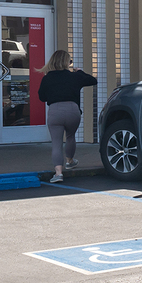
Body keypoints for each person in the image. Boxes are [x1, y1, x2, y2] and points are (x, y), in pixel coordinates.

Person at [38, 49, 97, 184]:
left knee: (56, 143)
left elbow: (42, 97)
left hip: (55, 111)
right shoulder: (74, 76)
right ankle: (70, 161)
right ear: (67, 63)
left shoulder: (47, 78)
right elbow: (93, 80)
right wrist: (80, 72)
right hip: (73, 110)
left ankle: (58, 173)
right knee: (70, 136)